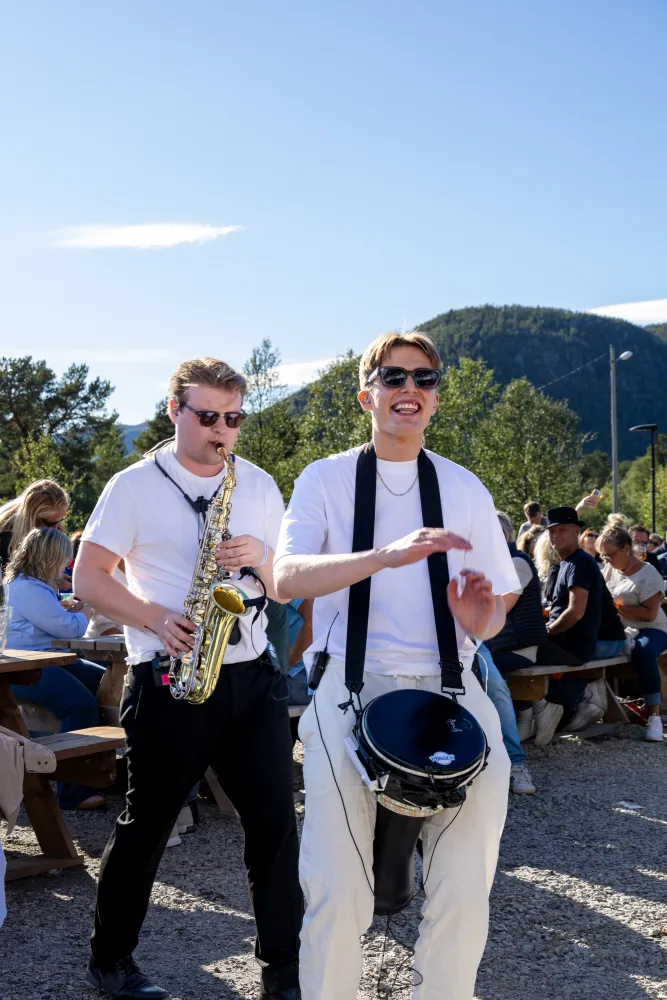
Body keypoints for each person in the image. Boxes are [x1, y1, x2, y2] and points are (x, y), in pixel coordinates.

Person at [274, 330, 519, 1000]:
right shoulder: (325, 478)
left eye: (424, 378)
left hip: (451, 687)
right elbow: (286, 578)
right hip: (348, 684)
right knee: (337, 886)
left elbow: (495, 608)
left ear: (435, 397)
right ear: (367, 396)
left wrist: (482, 619)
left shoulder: (464, 486)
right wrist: (384, 556)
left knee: (465, 888)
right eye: (393, 377)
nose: (409, 389)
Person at [74, 357, 302, 1000]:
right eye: (207, 417)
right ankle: (110, 961)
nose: (221, 431)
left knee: (275, 829)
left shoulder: (258, 484)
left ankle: (284, 972)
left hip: (252, 675)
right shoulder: (133, 486)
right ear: (175, 411)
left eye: (234, 418)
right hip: (169, 679)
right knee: (147, 827)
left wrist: (261, 558)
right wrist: (154, 617)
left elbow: (284, 584)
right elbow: (87, 579)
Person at [5, 527, 105, 810]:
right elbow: (69, 628)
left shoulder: (29, 584)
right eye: (63, 559)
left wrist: (66, 609)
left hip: (41, 659)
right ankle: (73, 791)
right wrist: (88, 607)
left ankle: (98, 770)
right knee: (80, 706)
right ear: (51, 557)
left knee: (106, 682)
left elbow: (52, 622)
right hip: (23, 667)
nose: (66, 564)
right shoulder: (28, 588)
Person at [598, 516, 665, 741]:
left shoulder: (648, 573)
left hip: (652, 629)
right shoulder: (610, 570)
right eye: (603, 556)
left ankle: (654, 716)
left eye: (610, 555)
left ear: (626, 549)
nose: (607, 560)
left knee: (643, 651)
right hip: (620, 629)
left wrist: (616, 606)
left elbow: (649, 614)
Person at [543, 507, 603, 729]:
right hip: (566, 643)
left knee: (514, 653)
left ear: (577, 531)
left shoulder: (580, 562)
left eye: (562, 530)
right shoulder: (567, 562)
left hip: (573, 646)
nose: (556, 535)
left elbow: (575, 612)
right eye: (552, 531)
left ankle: (533, 711)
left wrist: (549, 631)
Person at [0, 479, 69, 570]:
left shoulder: (54, 528)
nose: (55, 528)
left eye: (60, 520)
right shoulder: (5, 537)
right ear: (31, 516)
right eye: (49, 523)